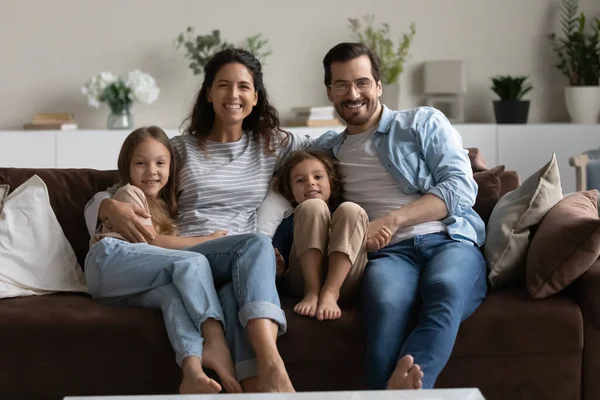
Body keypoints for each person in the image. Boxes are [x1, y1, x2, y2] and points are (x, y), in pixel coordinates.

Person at [84, 48, 307, 393]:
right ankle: (274, 364)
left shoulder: (273, 145)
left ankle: (255, 385)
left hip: (240, 264)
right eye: (223, 85)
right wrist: (109, 207)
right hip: (190, 254)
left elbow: (329, 152)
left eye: (244, 87)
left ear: (256, 96)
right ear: (208, 93)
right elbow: (124, 187)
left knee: (237, 296)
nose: (234, 95)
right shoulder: (180, 149)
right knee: (256, 244)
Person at [310, 43, 488, 391]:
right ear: (330, 91)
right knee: (385, 303)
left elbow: (460, 188)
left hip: (448, 240)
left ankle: (396, 394)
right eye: (342, 85)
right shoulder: (324, 150)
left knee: (446, 288)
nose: (353, 93)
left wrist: (391, 221)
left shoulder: (421, 121)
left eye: (362, 82)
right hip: (387, 255)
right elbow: (278, 166)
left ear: (378, 86)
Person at [85, 126, 238, 394]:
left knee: (173, 297)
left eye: (160, 163)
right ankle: (216, 341)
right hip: (107, 259)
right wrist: (207, 240)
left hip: (117, 285)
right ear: (127, 167)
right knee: (192, 262)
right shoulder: (128, 195)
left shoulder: (167, 209)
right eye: (140, 163)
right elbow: (152, 241)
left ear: (171, 167)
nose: (151, 171)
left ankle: (192, 372)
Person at [271, 150, 392, 321]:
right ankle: (312, 291)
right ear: (290, 191)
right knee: (312, 207)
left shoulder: (347, 217)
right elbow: (276, 257)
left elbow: (368, 257)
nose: (310, 183)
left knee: (351, 209)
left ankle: (330, 292)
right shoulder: (289, 222)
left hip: (345, 282)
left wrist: (370, 247)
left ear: (331, 183)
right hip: (301, 281)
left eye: (318, 177)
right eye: (300, 180)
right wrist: (279, 269)